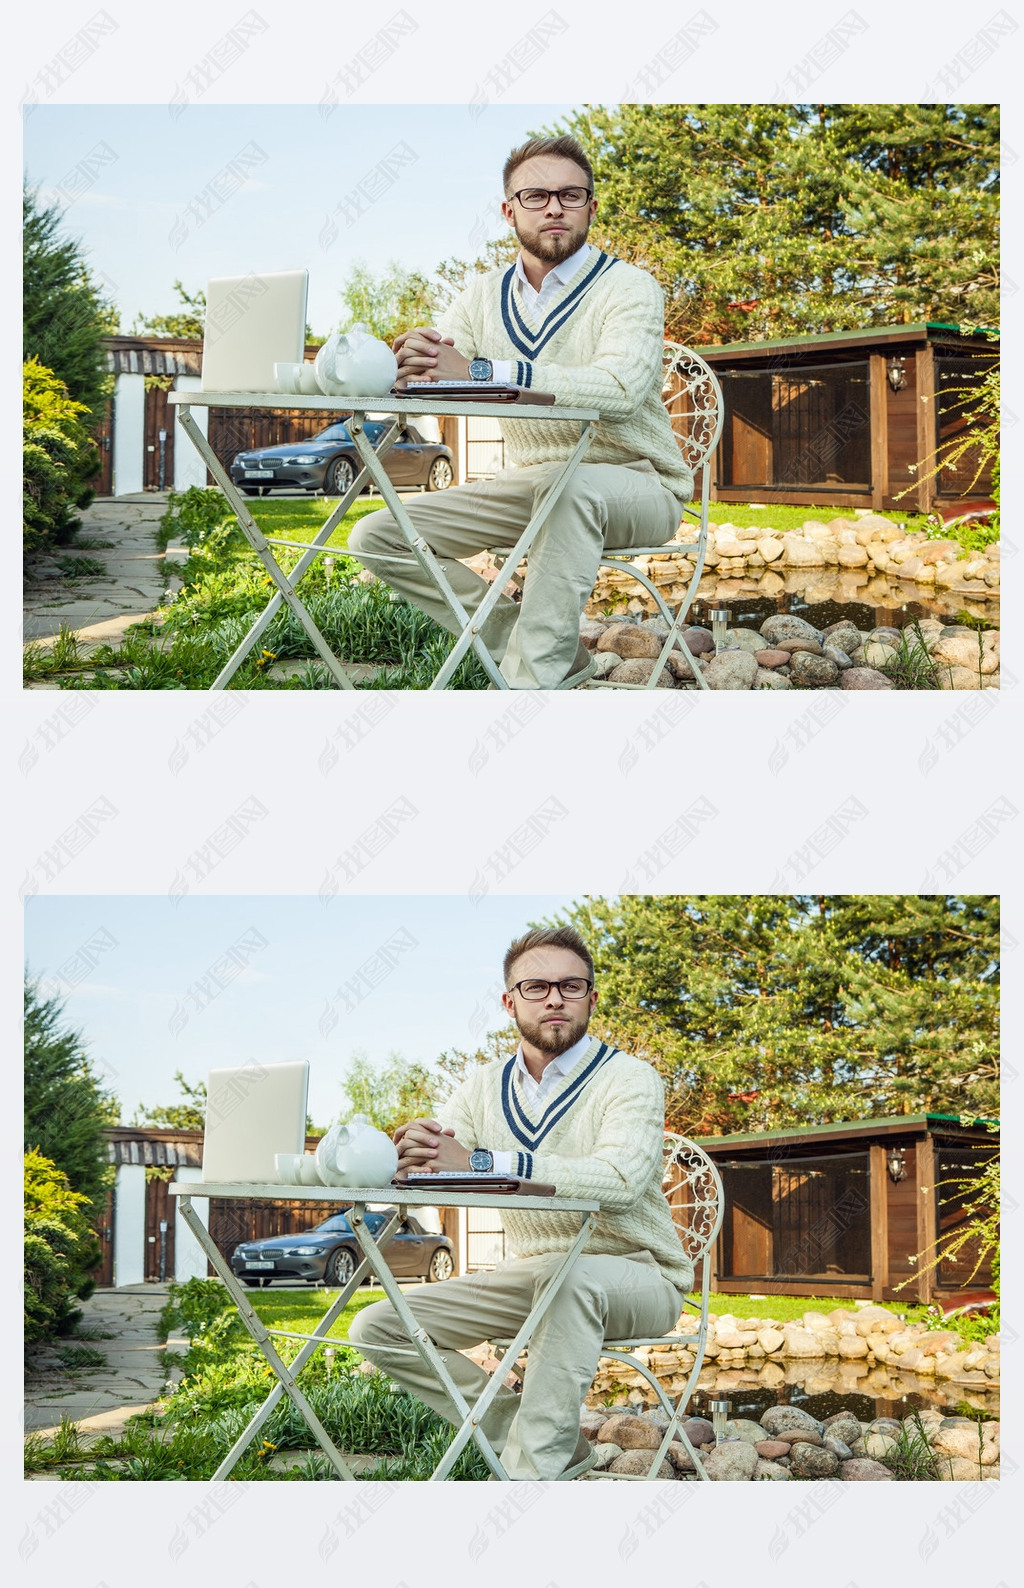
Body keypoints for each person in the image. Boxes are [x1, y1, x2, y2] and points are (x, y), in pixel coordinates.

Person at [347, 135, 693, 690]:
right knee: (377, 535)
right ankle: (536, 648)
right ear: (509, 211)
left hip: (639, 485)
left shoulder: (630, 287)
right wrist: (409, 367)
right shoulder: (482, 294)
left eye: (570, 195)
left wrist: (484, 371)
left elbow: (618, 388)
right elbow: (446, 372)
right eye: (535, 196)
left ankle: (526, 688)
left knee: (570, 490)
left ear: (591, 207)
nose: (554, 207)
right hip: (532, 485)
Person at [347, 925, 692, 1481]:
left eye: (570, 985)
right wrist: (411, 1157)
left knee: (569, 1281)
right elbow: (446, 1161)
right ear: (510, 1002)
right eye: (535, 987)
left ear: (591, 999)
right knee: (378, 1327)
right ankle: (535, 1439)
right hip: (531, 1276)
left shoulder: (631, 1078)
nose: (554, 998)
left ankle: (527, 1480)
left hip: (639, 1276)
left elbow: (619, 1179)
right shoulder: (482, 1085)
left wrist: (483, 1162)